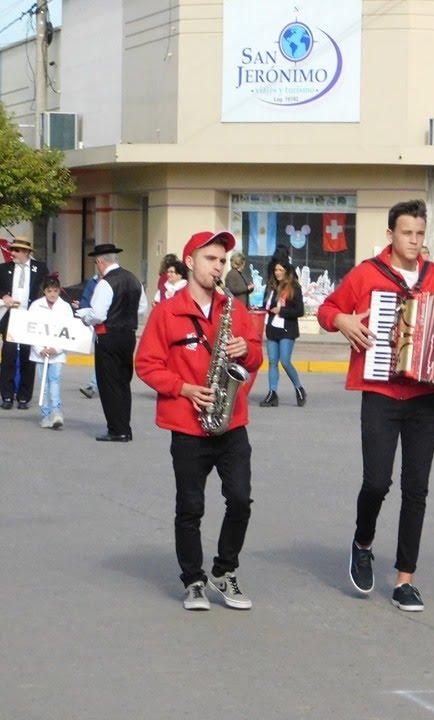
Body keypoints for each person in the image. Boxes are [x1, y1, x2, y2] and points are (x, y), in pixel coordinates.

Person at [317, 199, 434, 612]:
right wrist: (342, 321)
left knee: (417, 488)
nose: (414, 241)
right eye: (406, 233)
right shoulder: (367, 274)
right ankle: (363, 542)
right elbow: (329, 308)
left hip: (423, 397)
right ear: (391, 235)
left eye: (419, 233)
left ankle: (404, 579)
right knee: (377, 482)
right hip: (379, 391)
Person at [135, 230, 263, 611]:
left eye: (222, 261)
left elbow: (255, 355)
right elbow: (146, 365)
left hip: (231, 421)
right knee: (190, 506)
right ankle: (193, 579)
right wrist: (184, 389)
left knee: (240, 499)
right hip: (188, 425)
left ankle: (225, 570)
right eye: (211, 259)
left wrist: (247, 350)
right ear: (190, 261)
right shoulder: (167, 312)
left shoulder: (233, 310)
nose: (218, 267)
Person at [75, 243, 147, 441]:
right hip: (128, 336)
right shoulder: (134, 279)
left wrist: (85, 317)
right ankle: (124, 426)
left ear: (100, 262)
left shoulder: (106, 283)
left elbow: (98, 314)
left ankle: (117, 429)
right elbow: (142, 307)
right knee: (123, 382)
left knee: (109, 383)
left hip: (108, 335)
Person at [0, 237, 49, 409]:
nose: (12, 253)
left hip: (30, 319)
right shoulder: (4, 268)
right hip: (11, 317)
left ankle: (23, 397)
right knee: (9, 357)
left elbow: (48, 288)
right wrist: (4, 296)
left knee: (28, 357)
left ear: (27, 252)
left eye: (17, 250)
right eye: (12, 250)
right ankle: (6, 396)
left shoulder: (40, 268)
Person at [258, 262, 306, 408]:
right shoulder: (271, 287)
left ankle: (299, 388)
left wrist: (282, 311)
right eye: (276, 269)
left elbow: (300, 311)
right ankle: (272, 394)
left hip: (287, 330)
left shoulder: (294, 287)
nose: (277, 272)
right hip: (272, 329)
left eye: (280, 269)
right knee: (272, 362)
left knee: (285, 361)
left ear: (287, 271)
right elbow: (267, 305)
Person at [29, 275, 73, 429]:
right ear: (44, 291)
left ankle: (56, 412)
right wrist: (40, 349)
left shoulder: (65, 307)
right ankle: (46, 415)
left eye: (55, 291)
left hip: (57, 353)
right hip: (40, 353)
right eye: (49, 291)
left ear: (59, 291)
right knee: (44, 383)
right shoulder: (35, 306)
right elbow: (30, 330)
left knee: (54, 380)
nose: (52, 294)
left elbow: (69, 331)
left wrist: (57, 349)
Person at [75, 270, 100, 398]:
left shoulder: (116, 279)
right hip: (97, 325)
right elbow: (86, 299)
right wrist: (82, 308)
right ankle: (94, 385)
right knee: (100, 356)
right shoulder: (93, 282)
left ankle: (96, 385)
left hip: (114, 325)